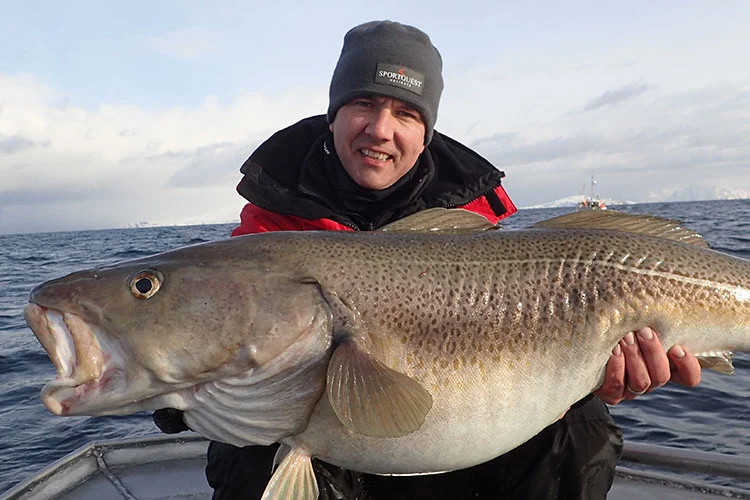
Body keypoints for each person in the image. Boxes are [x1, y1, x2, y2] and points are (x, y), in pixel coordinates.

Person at [154, 20, 702, 500]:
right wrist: (172, 382)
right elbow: (198, 341)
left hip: (459, 440)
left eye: (406, 112)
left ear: (426, 131)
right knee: (244, 453)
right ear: (333, 114)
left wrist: (596, 379)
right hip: (328, 451)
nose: (381, 129)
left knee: (577, 433)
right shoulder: (264, 245)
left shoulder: (481, 237)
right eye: (363, 103)